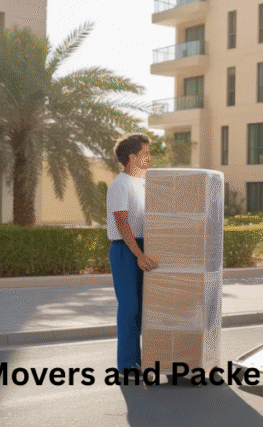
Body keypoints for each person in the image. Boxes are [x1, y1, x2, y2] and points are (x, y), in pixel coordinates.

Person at [106, 133, 158, 372]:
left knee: (144, 308)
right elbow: (122, 223)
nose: (149, 157)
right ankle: (127, 364)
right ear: (132, 156)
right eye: (145, 153)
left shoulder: (145, 182)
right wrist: (139, 254)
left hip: (143, 247)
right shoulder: (120, 184)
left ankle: (140, 360)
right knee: (129, 307)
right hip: (126, 250)